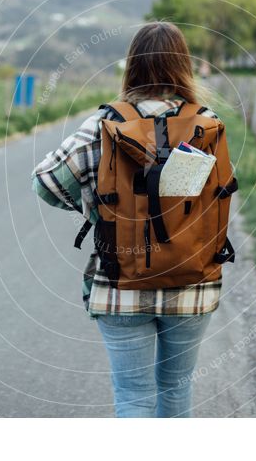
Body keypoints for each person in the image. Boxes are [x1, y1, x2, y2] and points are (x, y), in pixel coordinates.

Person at [32, 21, 227, 418]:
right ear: (183, 65)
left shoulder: (104, 125)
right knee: (176, 393)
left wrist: (96, 206)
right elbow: (220, 192)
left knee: (133, 398)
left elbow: (46, 182)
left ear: (132, 66)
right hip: (193, 282)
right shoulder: (207, 124)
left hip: (120, 283)